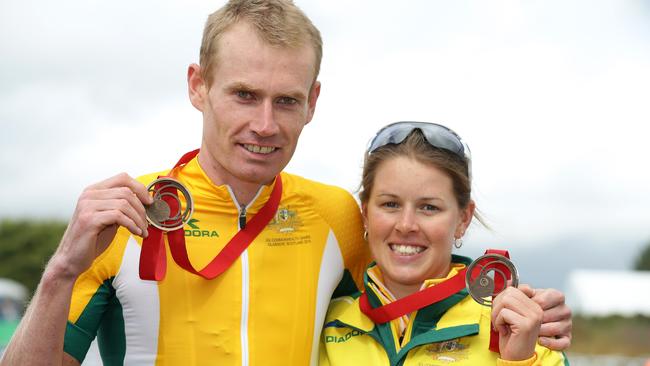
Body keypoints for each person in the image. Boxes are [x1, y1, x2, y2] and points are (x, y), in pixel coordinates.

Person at [1, 2, 571, 365]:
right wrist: (60, 272)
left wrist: (522, 305)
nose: (265, 125)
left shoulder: (336, 215)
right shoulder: (126, 214)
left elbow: (419, 259)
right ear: (198, 85)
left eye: (287, 101)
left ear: (313, 102)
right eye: (244, 95)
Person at [319, 122, 568, 365]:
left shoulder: (518, 328)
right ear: (366, 214)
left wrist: (518, 362)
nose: (406, 225)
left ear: (463, 219)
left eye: (429, 207)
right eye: (390, 204)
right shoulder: (324, 323)